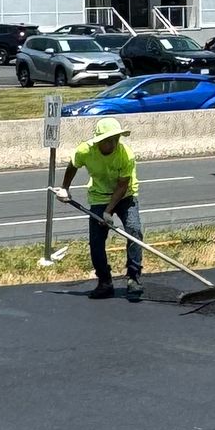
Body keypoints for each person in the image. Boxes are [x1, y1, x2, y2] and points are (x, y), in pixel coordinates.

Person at [60, 126, 143, 302]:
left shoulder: (125, 154)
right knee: (96, 240)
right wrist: (65, 189)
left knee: (134, 231)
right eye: (108, 139)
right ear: (99, 141)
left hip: (125, 195)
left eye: (115, 138)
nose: (112, 143)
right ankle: (105, 281)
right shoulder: (85, 150)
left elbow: (122, 186)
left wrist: (108, 212)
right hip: (99, 196)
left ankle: (133, 278)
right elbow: (72, 165)